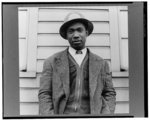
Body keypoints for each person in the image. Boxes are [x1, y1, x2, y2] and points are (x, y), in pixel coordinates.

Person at [38, 12, 116, 115]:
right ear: (66, 35)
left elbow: (109, 93)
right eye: (71, 31)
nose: (75, 35)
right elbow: (44, 94)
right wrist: (52, 117)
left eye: (79, 30)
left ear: (86, 33)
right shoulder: (51, 62)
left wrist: (105, 116)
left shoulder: (101, 63)